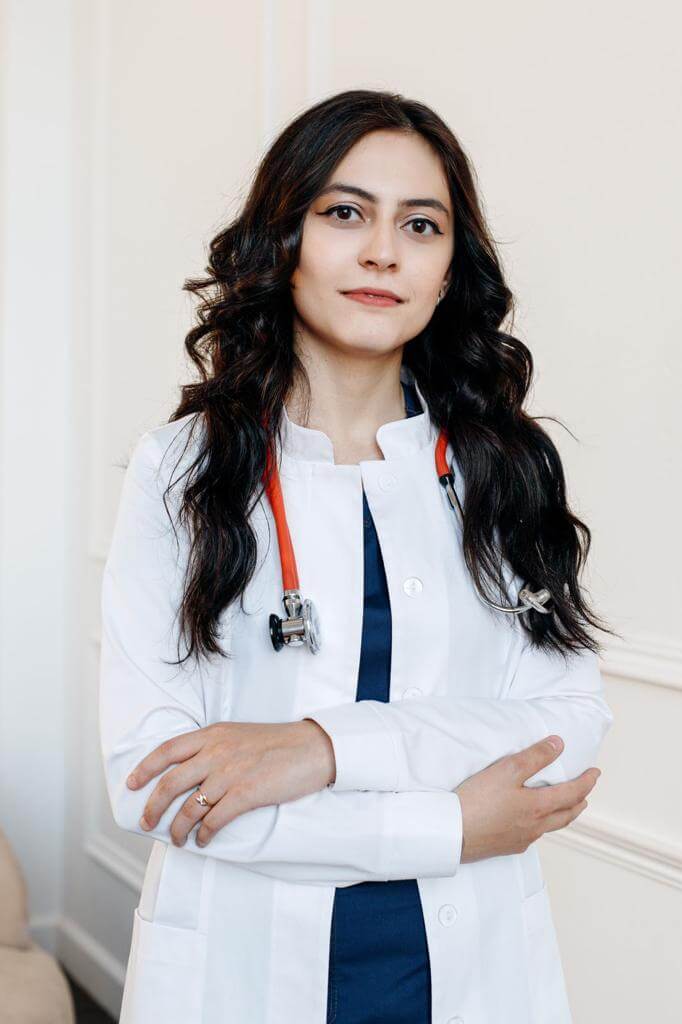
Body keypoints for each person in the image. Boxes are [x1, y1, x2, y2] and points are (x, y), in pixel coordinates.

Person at [99, 89, 615, 1024]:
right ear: (284, 239)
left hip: (466, 970)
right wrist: (447, 824)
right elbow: (156, 787)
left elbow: (566, 728)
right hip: (241, 973)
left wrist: (321, 750)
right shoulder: (182, 469)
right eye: (345, 213)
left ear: (450, 269)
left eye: (420, 224)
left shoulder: (504, 467)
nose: (383, 251)